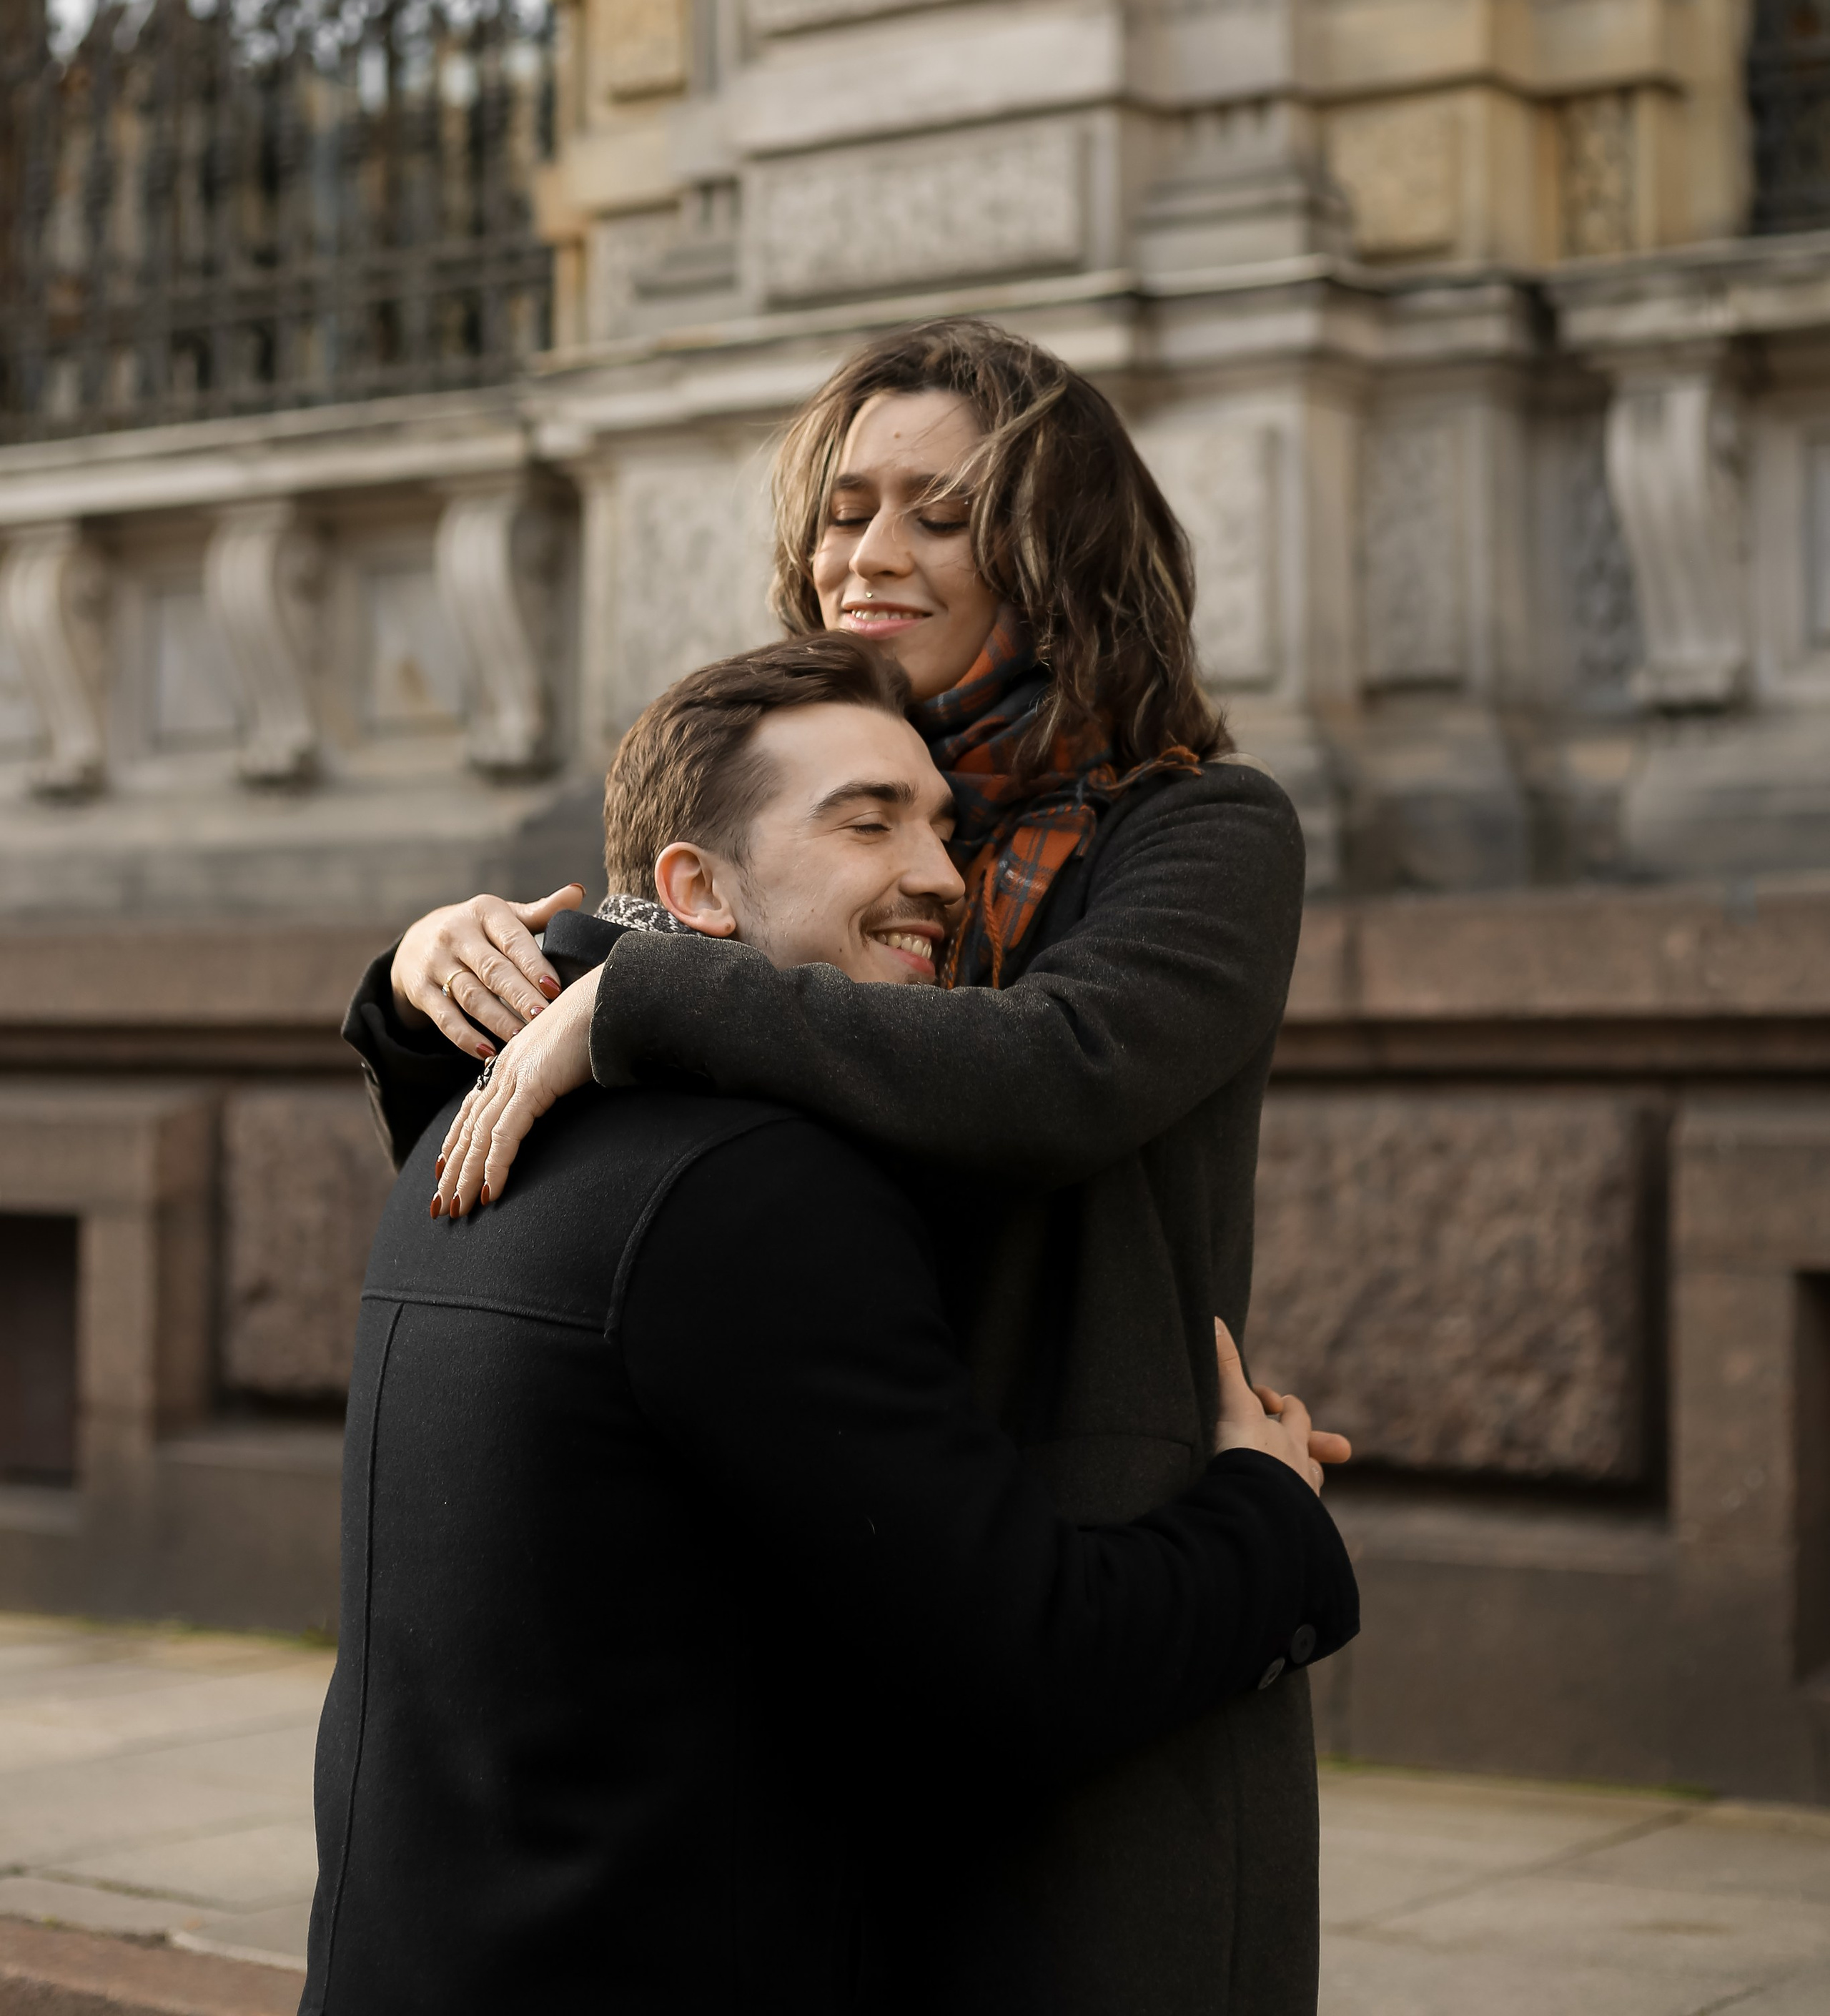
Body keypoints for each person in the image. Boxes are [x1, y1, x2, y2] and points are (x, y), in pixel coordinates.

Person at [354, 320, 1321, 2015]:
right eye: (844, 508)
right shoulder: (812, 818)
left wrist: (641, 994)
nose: (867, 554)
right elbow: (606, 1021)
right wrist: (426, 977)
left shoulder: (1197, 829)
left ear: (1060, 551)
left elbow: (1056, 1069)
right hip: (846, 1588)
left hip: (1093, 1601)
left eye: (938, 514)